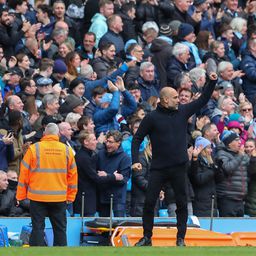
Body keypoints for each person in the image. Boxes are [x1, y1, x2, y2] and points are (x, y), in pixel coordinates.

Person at [131, 72, 218, 246]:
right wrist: (135, 160)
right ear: (164, 100)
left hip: (179, 168)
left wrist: (212, 81)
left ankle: (181, 239)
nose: (179, 100)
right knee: (149, 203)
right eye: (175, 97)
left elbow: (203, 100)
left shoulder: (183, 111)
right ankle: (147, 237)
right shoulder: (151, 118)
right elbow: (137, 138)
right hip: (158, 168)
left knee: (182, 204)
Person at [16, 123, 78, 246]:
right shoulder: (67, 150)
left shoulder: (34, 149)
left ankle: (37, 253)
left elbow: (24, 173)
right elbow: (73, 176)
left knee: (37, 227)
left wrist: (21, 196)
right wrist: (71, 196)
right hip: (59, 197)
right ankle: (59, 253)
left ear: (44, 134)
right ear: (58, 134)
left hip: (37, 197)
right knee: (60, 229)